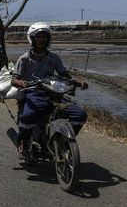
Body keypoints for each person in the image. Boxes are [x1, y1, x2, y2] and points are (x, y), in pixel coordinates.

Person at [10, 22, 87, 161]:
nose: (42, 40)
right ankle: (22, 143)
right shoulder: (24, 59)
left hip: (54, 93)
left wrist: (77, 82)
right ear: (32, 39)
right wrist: (20, 82)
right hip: (34, 93)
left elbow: (64, 75)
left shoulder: (54, 58)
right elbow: (14, 79)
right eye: (39, 37)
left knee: (80, 115)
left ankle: (61, 141)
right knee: (27, 117)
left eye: (45, 37)